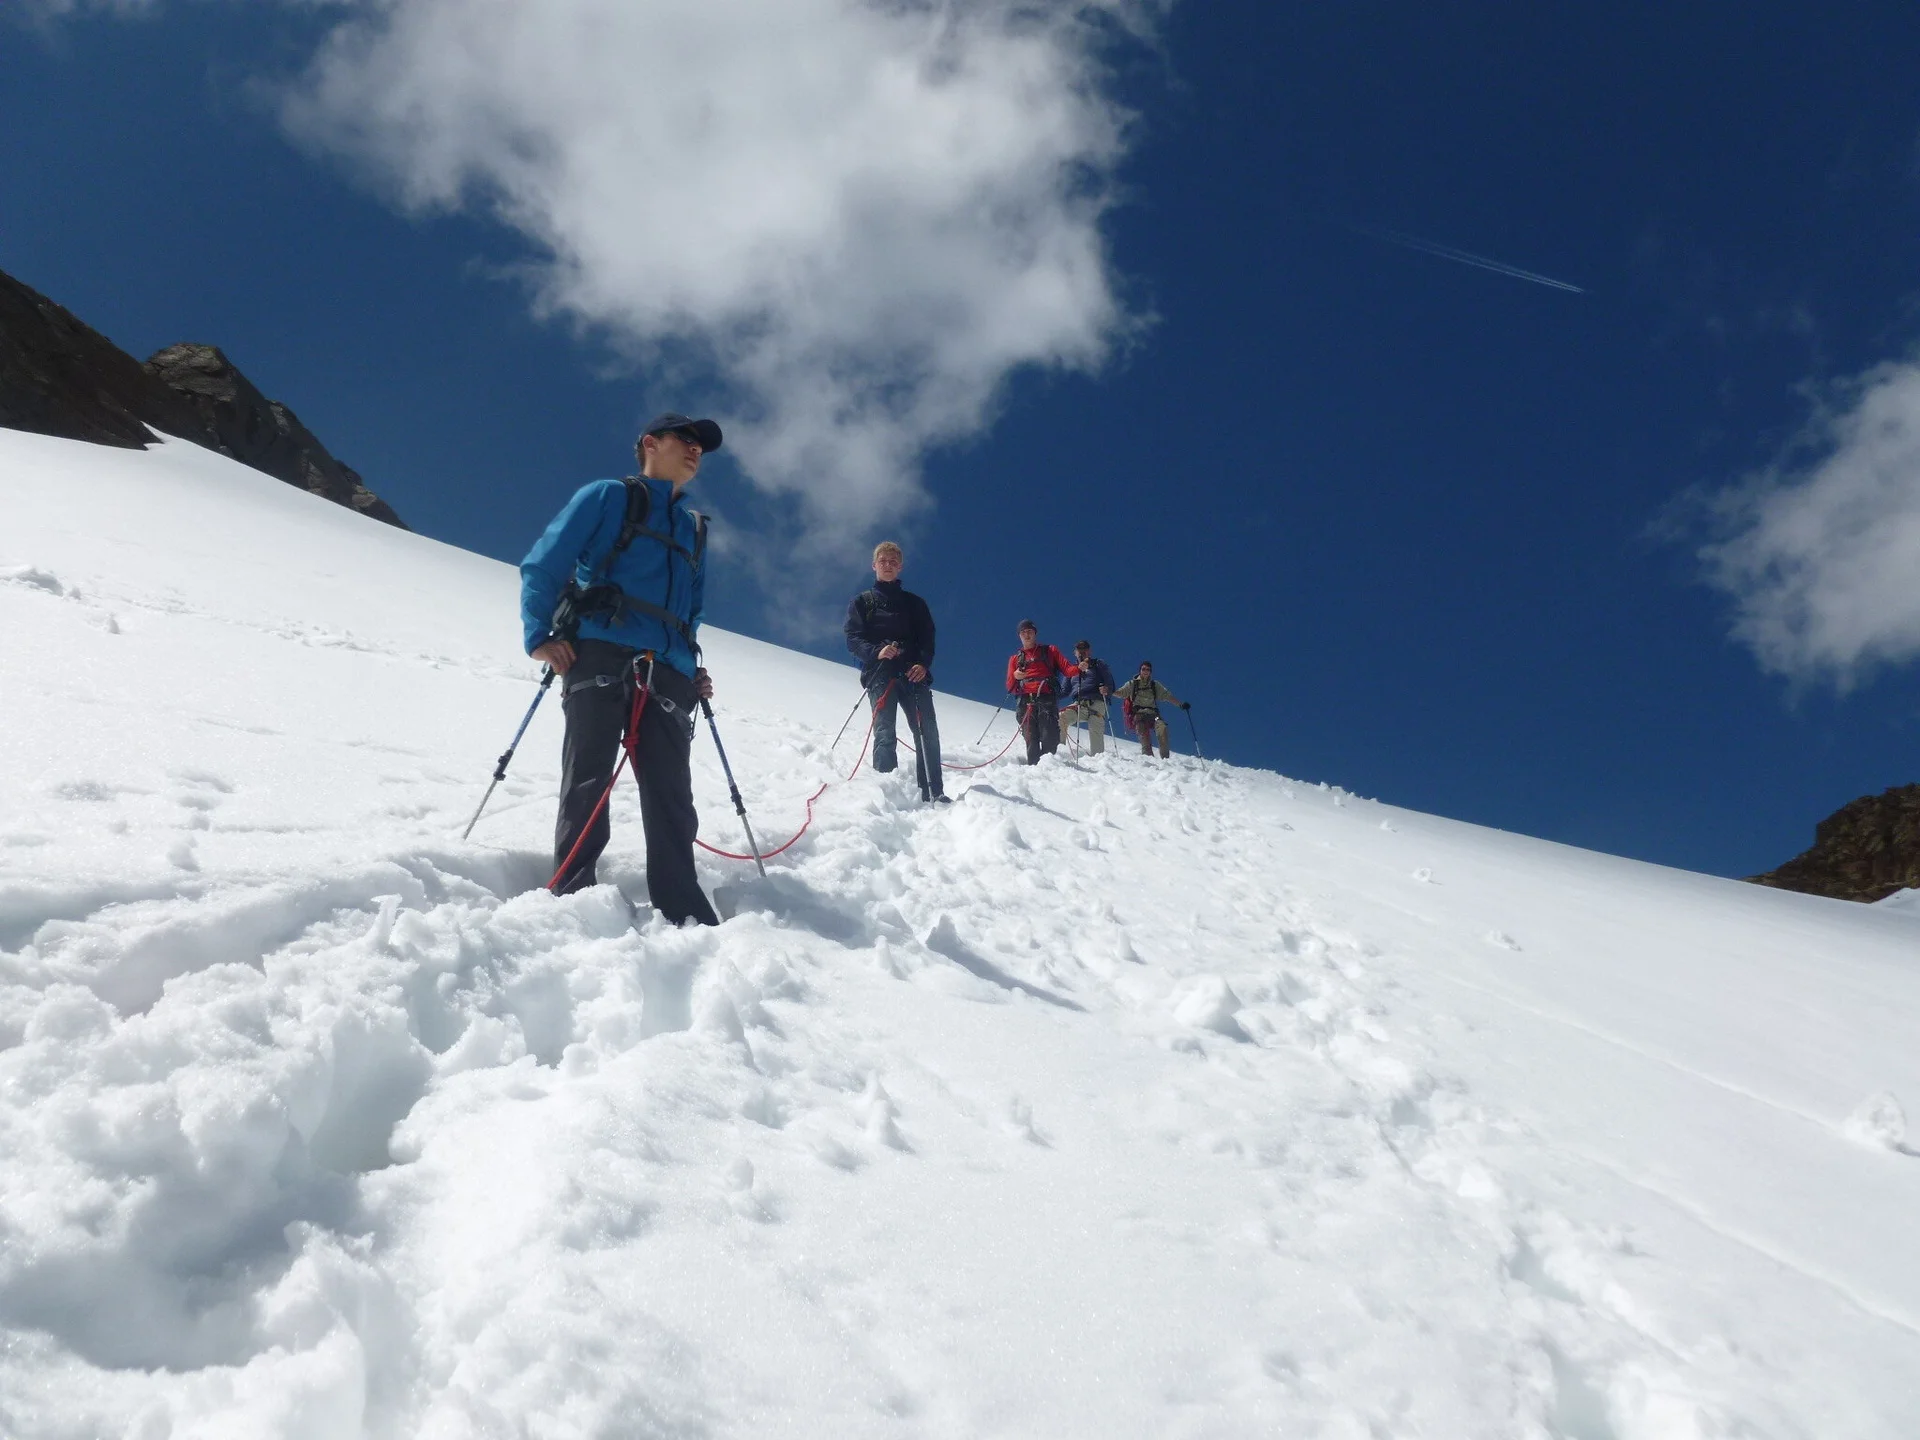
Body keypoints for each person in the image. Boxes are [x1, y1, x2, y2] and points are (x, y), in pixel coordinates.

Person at [520, 411, 723, 923]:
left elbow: (690, 613)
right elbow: (546, 563)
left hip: (671, 672)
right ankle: (572, 894)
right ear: (651, 444)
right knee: (588, 777)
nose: (697, 450)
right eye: (687, 439)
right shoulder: (608, 496)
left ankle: (684, 909)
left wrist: (689, 664)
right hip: (600, 651)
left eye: (703, 446)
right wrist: (539, 636)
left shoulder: (694, 529)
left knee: (672, 795)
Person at [844, 541, 948, 804]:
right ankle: (886, 793)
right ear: (874, 565)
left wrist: (923, 664)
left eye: (893, 562)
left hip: (914, 673)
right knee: (885, 729)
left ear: (900, 567)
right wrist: (877, 651)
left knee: (927, 730)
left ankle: (933, 792)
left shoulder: (915, 604)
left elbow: (928, 638)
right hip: (880, 672)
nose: (888, 565)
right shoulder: (862, 602)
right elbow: (853, 638)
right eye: (883, 561)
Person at [1004, 620, 1079, 765]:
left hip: (1046, 698)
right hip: (1025, 701)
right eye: (1023, 632)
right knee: (1031, 738)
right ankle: (1034, 770)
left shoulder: (1050, 650)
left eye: (1030, 631)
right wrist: (1015, 676)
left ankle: (1047, 769)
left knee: (1049, 736)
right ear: (1019, 635)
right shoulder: (1015, 659)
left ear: (1035, 633)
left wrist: (1080, 667)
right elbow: (1011, 687)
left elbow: (1068, 670)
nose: (1027, 635)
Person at [1113, 660, 1187, 759]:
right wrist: (1109, 691)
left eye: (1148, 669)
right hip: (1139, 715)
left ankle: (1165, 760)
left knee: (1163, 729)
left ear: (1150, 672)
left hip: (1154, 715)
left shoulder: (1154, 685)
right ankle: (1149, 761)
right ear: (1140, 670)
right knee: (1144, 738)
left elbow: (1167, 696)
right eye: (1143, 669)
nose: (1145, 671)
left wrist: (1180, 705)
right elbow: (1120, 693)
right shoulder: (1132, 684)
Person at [1059, 639, 1116, 755]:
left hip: (1097, 702)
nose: (1082, 652)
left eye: (1085, 649)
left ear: (1089, 651)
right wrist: (1047, 695)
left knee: (1096, 729)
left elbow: (1110, 684)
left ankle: (1098, 759)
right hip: (1079, 704)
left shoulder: (1098, 664)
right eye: (1079, 650)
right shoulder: (1071, 670)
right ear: (1075, 652)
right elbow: (1064, 691)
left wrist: (1107, 690)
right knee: (1061, 717)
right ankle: (1058, 753)